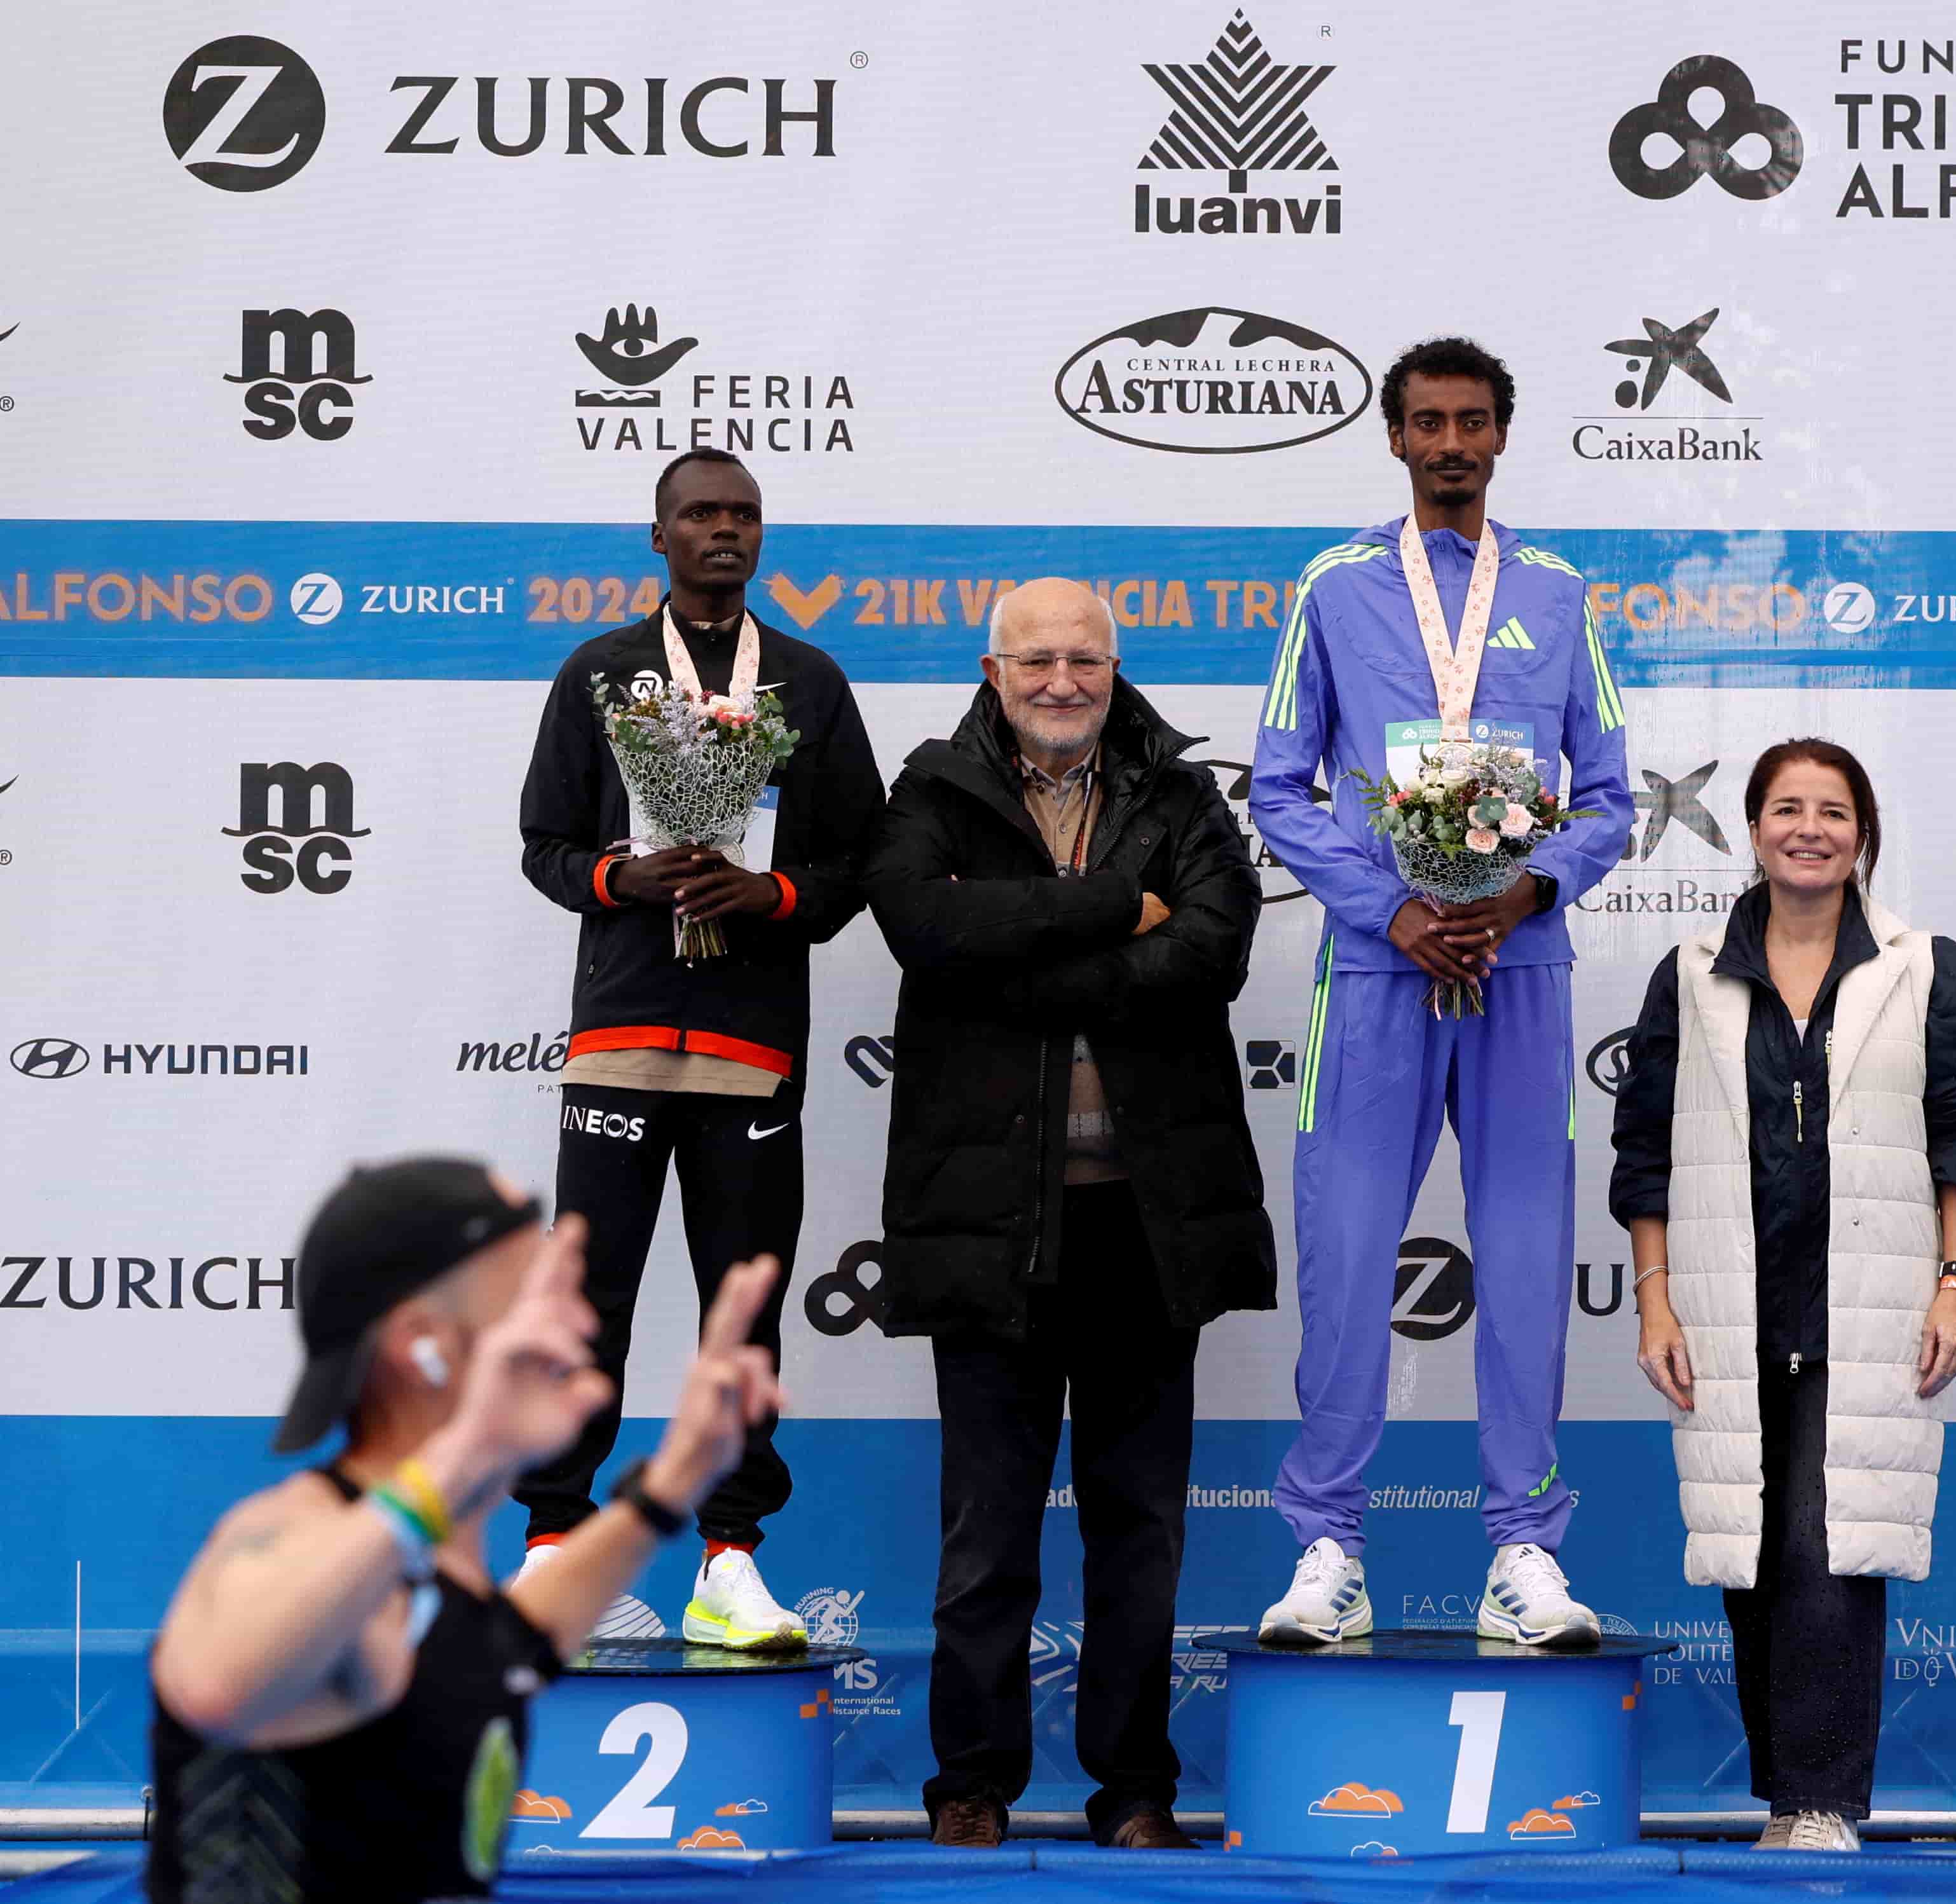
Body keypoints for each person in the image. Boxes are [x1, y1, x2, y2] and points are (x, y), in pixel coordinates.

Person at [864, 578, 1275, 1850]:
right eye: (1034, 660)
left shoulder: (1180, 788)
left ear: (1114, 667)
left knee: (1137, 1527)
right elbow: (925, 926)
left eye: (1082, 660)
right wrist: (1108, 908)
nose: (1060, 682)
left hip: (1146, 1224)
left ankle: (1135, 1787)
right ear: (993, 672)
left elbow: (1215, 945)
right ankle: (972, 1782)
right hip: (991, 1220)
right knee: (986, 1528)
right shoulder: (933, 788)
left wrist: (1029, 962)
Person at [1248, 336, 1635, 1648]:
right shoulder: (1336, 587)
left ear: (1504, 435)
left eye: (1474, 421)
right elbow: (1276, 787)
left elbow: (1614, 798)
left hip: (1521, 970)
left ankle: (1523, 1550)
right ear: (1397, 438)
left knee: (1525, 1263)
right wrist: (1394, 908)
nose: (1452, 443)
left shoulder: (1561, 591)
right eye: (1429, 423)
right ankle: (1327, 1550)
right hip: (1374, 968)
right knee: (1351, 1258)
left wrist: (1524, 895)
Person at [146, 1157, 785, 1903]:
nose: (583, 1322)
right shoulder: (291, 1531)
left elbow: (503, 1647)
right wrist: (467, 1451)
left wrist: (672, 1485)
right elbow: (225, 1684)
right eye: (534, 1297)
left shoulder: (433, 1563)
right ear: (425, 1346)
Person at [514, 446, 881, 1647]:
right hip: (620, 1042)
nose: (725, 532)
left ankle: (730, 1560)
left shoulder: (811, 685)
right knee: (588, 1309)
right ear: (658, 537)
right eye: (700, 515)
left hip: (750, 1051)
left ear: (762, 537)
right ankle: (553, 1547)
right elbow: (546, 844)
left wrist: (768, 899)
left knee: (744, 1313)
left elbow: (856, 866)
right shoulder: (603, 671)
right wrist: (623, 875)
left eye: (744, 516)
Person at [1610, 739, 1956, 1853]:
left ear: (1862, 835)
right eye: (1788, 808)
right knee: (1751, 1545)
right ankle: (1789, 1796)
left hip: (1870, 1309)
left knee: (1831, 1544)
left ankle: (1821, 1802)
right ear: (1754, 827)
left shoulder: (1926, 967)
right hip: (1730, 1309)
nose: (1810, 828)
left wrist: (1954, 1284)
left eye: (1833, 811)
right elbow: (1644, 1151)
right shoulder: (1690, 973)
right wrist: (1656, 1301)